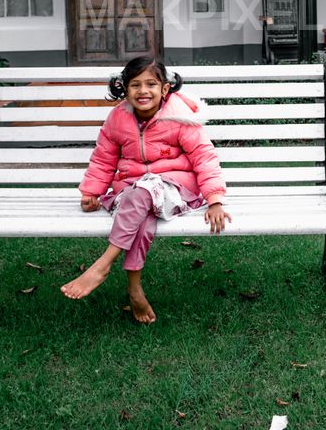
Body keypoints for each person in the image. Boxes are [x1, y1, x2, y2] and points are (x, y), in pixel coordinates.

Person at [60, 56, 231, 323]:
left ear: (164, 89)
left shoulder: (179, 117)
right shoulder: (118, 118)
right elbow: (104, 158)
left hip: (174, 190)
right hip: (133, 192)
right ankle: (134, 289)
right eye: (135, 85)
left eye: (151, 84)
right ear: (124, 89)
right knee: (141, 209)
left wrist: (215, 200)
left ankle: (102, 265)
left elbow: (203, 156)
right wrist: (91, 192)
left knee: (143, 192)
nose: (143, 91)